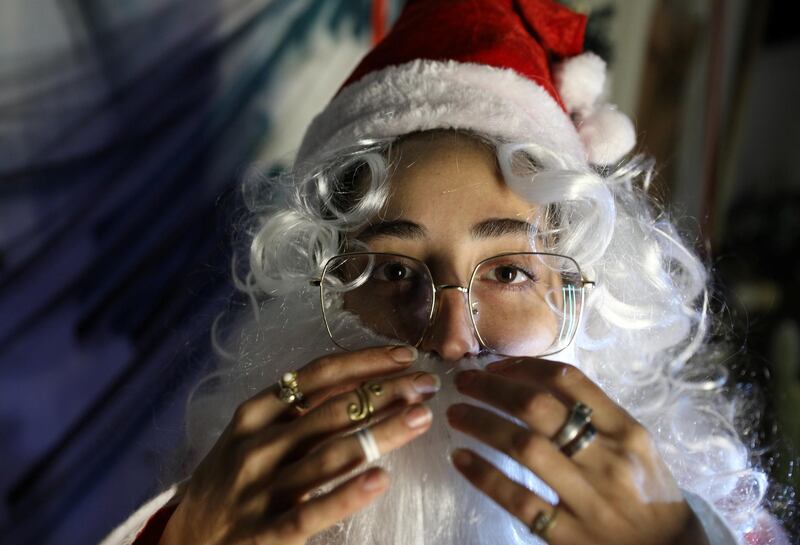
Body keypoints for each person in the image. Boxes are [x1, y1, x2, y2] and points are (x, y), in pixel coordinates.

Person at [100, 1, 789, 544]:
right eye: (397, 272)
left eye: (511, 272)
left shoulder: (693, 529)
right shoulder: (226, 522)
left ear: (588, 293)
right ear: (322, 298)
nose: (453, 339)